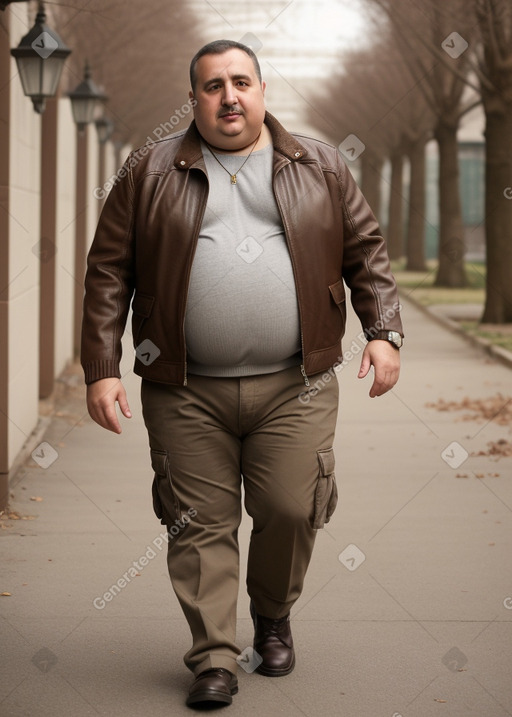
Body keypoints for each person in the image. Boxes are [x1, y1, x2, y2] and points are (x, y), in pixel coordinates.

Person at [81, 39, 403, 709]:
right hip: (182, 386)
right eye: (212, 85)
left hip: (298, 383)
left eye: (241, 82)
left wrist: (383, 331)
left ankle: (274, 612)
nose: (229, 96)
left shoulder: (320, 164)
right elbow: (109, 269)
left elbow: (365, 251)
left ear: (261, 90)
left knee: (291, 506)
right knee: (198, 520)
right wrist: (101, 367)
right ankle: (214, 657)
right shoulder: (149, 169)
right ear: (193, 97)